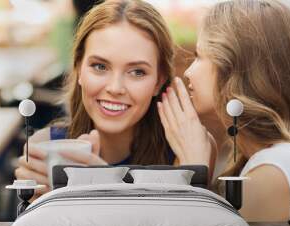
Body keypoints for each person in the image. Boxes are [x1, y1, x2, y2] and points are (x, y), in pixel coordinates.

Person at [158, 0, 290, 221]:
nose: (188, 72)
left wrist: (194, 170)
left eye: (200, 56)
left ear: (236, 68)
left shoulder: (275, 172)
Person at [15, 0, 176, 200]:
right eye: (100, 66)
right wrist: (37, 205)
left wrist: (105, 191)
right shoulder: (45, 148)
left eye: (137, 72)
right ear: (78, 69)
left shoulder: (180, 156)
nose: (115, 88)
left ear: (158, 82)